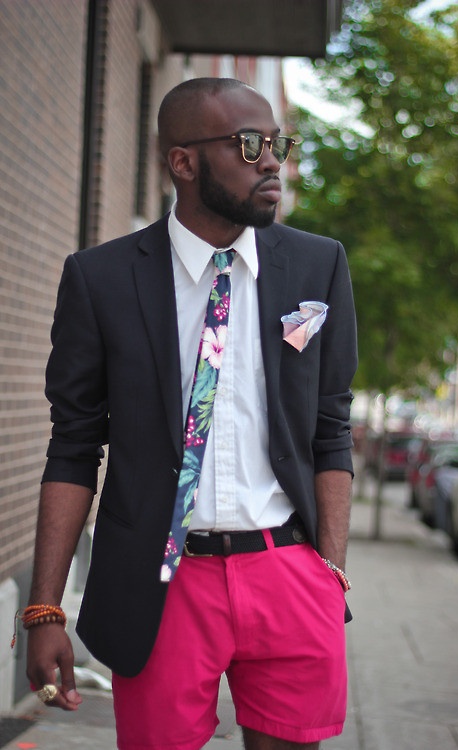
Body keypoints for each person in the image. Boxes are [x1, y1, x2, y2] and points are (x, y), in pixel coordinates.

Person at [25, 77, 358, 750]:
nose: (273, 161)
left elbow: (331, 427)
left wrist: (329, 572)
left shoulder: (318, 266)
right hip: (163, 582)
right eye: (250, 144)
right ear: (183, 160)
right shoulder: (102, 278)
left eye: (278, 144)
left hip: (288, 568)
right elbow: (74, 444)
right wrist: (44, 608)